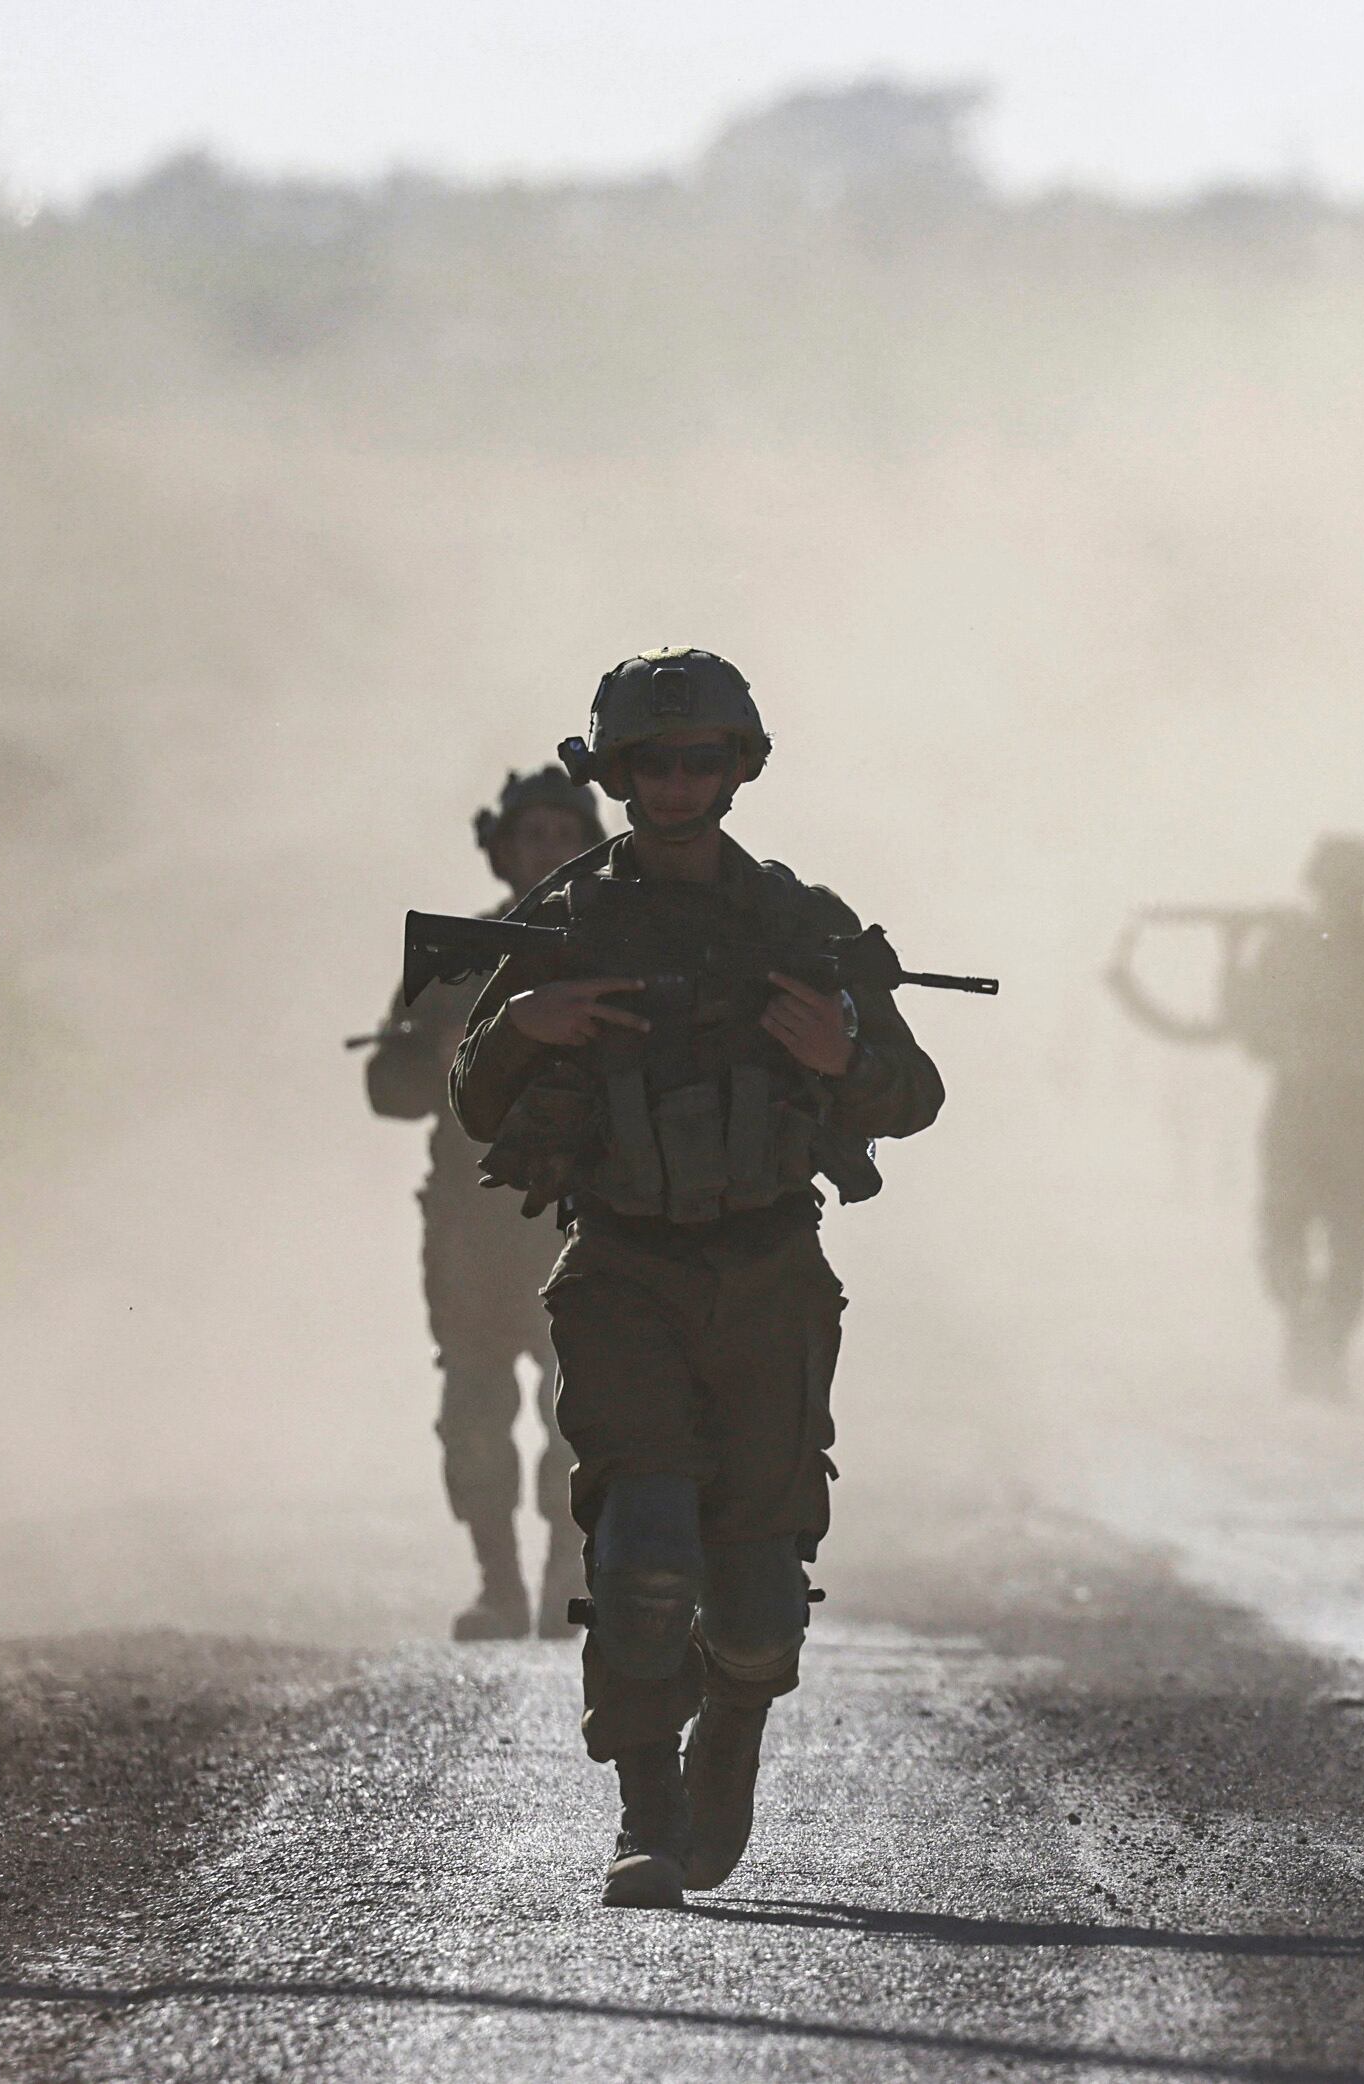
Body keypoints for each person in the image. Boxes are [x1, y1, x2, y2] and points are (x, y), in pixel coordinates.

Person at [451, 647, 945, 1908]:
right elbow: (472, 1097)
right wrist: (524, 1026)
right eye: (654, 762)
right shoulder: (564, 920)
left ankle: (731, 1724)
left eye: (701, 760)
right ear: (618, 772)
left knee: (760, 1595)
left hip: (771, 1267)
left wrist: (842, 1056)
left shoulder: (798, 919)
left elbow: (917, 1091)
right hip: (621, 1264)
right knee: (643, 1549)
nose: (677, 783)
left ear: (740, 768)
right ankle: (647, 1804)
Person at [363, 766, 603, 1641]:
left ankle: (565, 1584)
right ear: (502, 848)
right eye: (530, 837)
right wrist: (442, 1055)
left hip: (575, 1218)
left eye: (562, 837)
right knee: (474, 1407)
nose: (545, 854)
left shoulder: (613, 948)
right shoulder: (458, 959)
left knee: (581, 1409)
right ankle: (498, 1583)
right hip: (472, 1224)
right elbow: (385, 1091)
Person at [1105, 835, 1364, 1395]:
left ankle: (1308, 1337)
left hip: (1303, 1114)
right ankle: (1318, 1344)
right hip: (1350, 1117)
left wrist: (1235, 957)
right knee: (1338, 1242)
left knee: (1299, 1239)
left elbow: (1243, 1024)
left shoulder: (1294, 946)